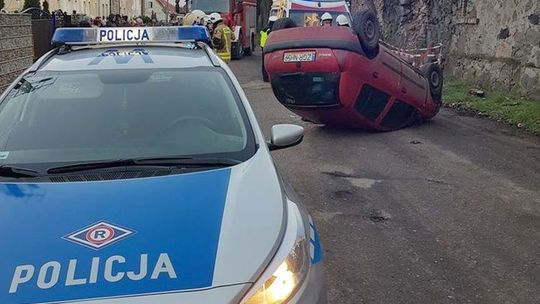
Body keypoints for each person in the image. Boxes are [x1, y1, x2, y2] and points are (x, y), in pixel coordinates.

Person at [260, 15, 278, 82]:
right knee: (270, 62)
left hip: (263, 47)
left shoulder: (265, 28)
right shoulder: (271, 29)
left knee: (264, 63)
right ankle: (269, 77)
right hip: (269, 47)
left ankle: (265, 77)